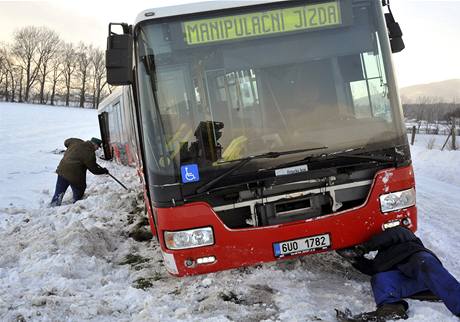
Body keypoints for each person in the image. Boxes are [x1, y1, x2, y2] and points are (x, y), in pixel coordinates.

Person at [337, 225, 460, 321]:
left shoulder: (404, 236)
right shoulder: (382, 258)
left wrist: (362, 248)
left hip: (417, 262)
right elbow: (372, 269)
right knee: (379, 279)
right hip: (414, 283)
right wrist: (354, 259)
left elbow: (393, 234)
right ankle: (392, 308)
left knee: (424, 263)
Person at [50, 137, 109, 206]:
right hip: (75, 175)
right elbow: (94, 170)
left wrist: (74, 149)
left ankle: (54, 205)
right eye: (97, 147)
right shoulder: (89, 153)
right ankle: (77, 203)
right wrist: (103, 171)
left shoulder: (76, 142)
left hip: (62, 170)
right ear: (94, 144)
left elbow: (66, 142)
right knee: (80, 189)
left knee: (59, 192)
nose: (97, 149)